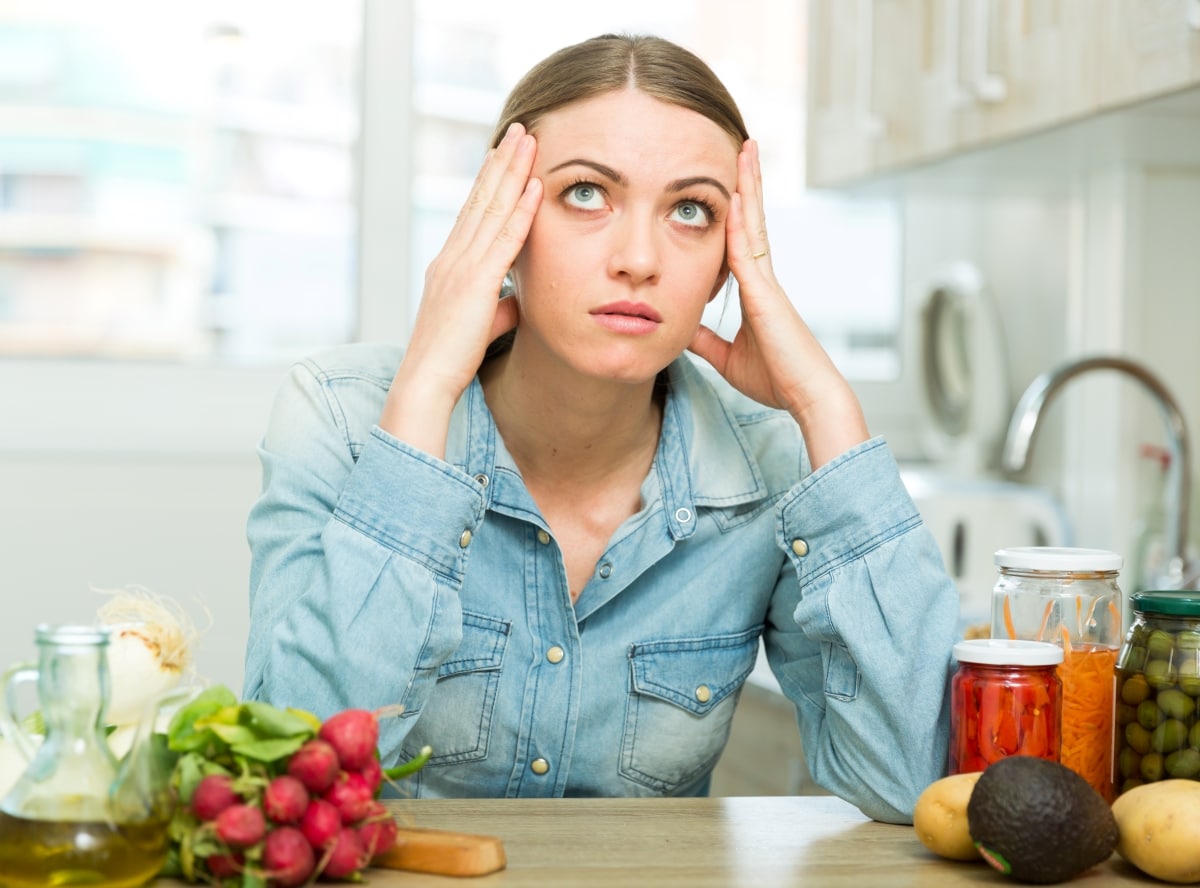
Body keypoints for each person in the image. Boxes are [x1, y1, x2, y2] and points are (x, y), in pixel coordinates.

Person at [243, 33, 959, 824]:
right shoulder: (341, 421)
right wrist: (424, 389)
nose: (640, 258)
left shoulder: (771, 465)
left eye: (691, 211)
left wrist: (825, 405)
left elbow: (908, 782)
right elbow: (293, 783)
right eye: (587, 193)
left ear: (729, 260)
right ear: (501, 225)